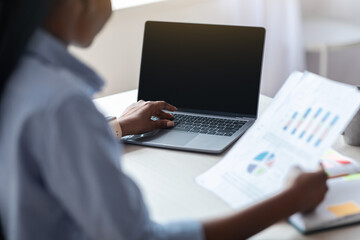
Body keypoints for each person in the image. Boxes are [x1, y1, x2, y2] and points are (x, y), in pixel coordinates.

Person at [0, 0, 328, 239]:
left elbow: (41, 148)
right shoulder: (64, 104)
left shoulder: (21, 75)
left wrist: (119, 127)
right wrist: (288, 201)